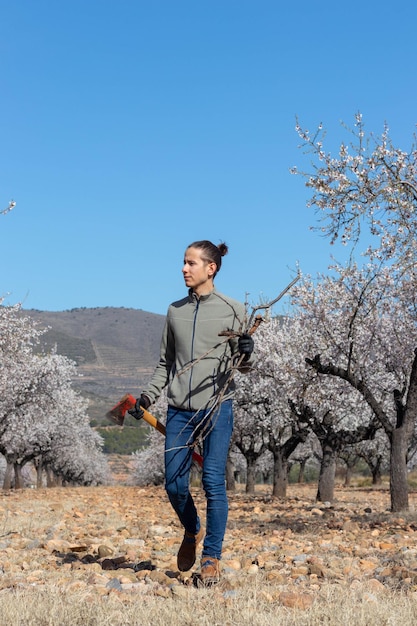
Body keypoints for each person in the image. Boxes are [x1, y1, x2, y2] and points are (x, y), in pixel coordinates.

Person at [129, 240, 254, 584]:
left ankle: (212, 557)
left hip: (218, 406)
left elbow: (241, 367)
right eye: (183, 263)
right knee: (174, 485)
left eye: (191, 263)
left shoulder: (232, 309)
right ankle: (192, 529)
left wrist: (246, 351)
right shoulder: (175, 311)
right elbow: (165, 363)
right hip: (180, 409)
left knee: (214, 482)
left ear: (210, 268)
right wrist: (148, 396)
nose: (184, 269)